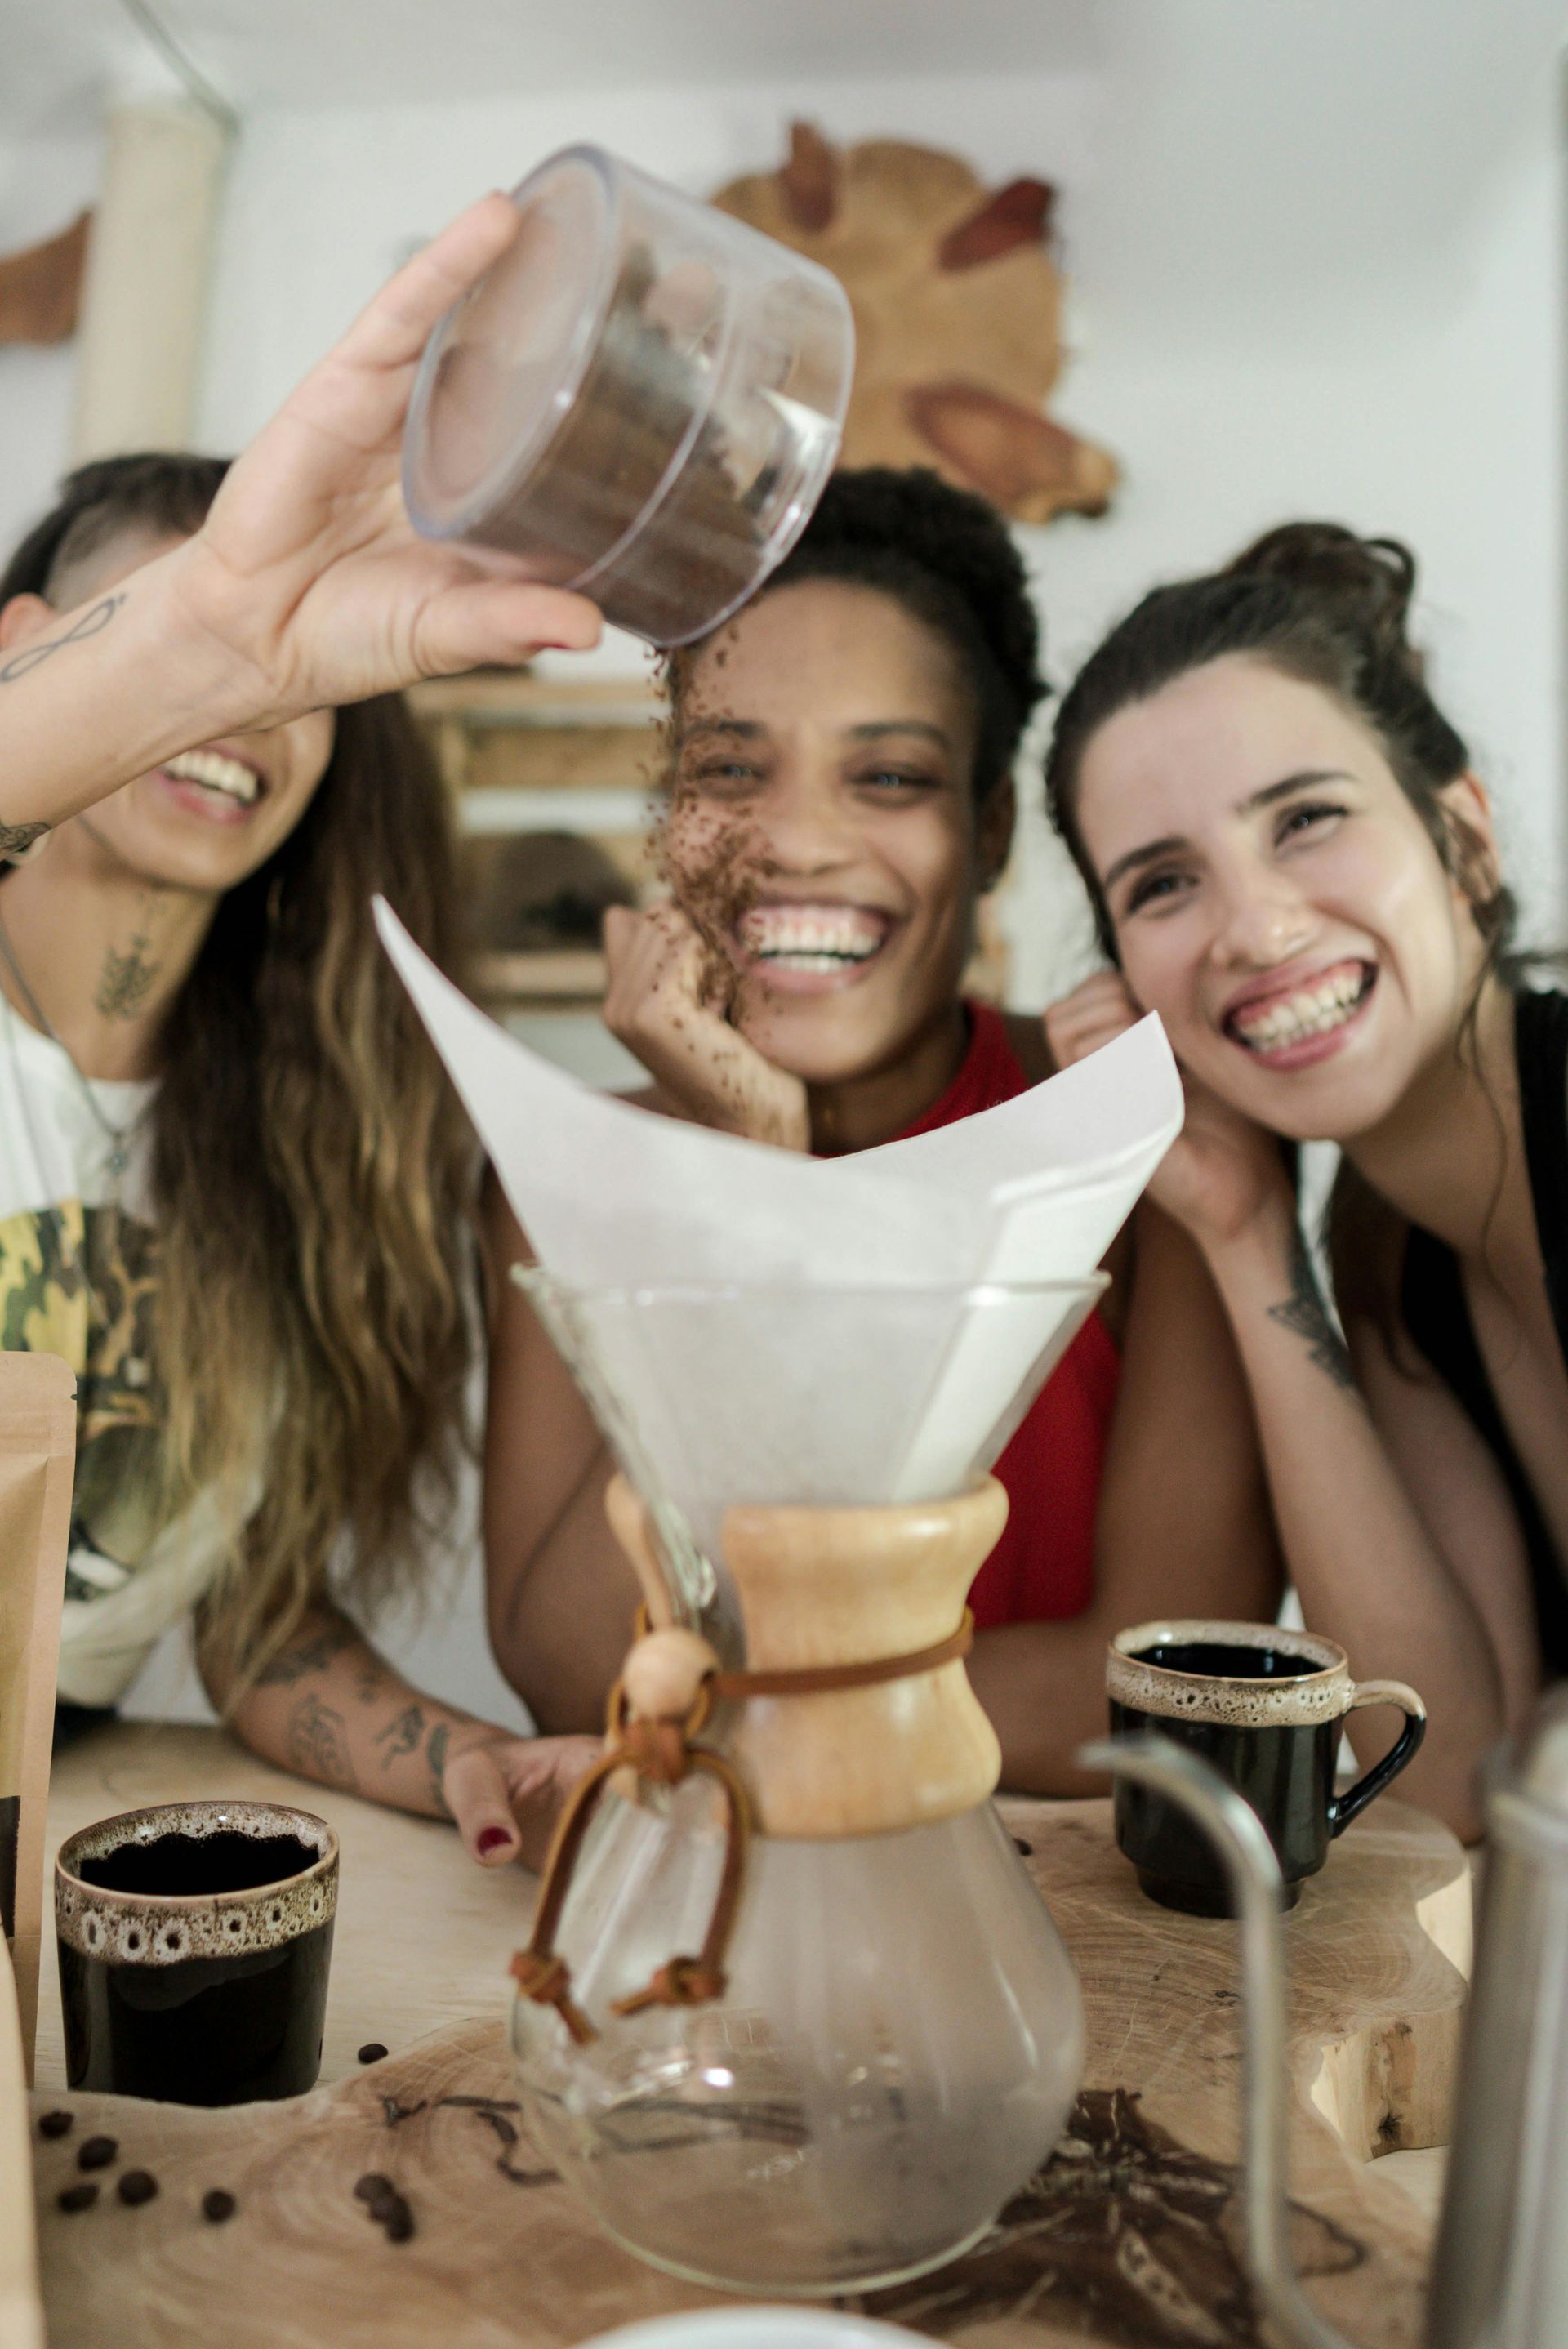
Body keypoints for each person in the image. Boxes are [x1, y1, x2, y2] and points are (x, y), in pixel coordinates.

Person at [483, 468, 1281, 1791]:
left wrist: (735, 1707)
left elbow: (1164, 1677)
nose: (796, 839)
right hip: (714, 1918)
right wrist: (748, 1158)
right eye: (731, 767)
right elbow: (574, 1665)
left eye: (889, 775)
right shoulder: (561, 1176)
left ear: (990, 830)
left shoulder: (1144, 1139)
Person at [0, 197, 608, 1866]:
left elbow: (248, 1620)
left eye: (295, 682)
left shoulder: (310, 1122)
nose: (241, 713)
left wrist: (468, 1759)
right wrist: (193, 653)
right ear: (25, 657)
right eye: (183, 647)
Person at [1041, 520, 1558, 1838]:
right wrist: (1247, 1232)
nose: (1257, 929)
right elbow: (1439, 1786)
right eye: (1165, 884)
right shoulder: (1393, 1243)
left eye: (1307, 819)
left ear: (1464, 840)